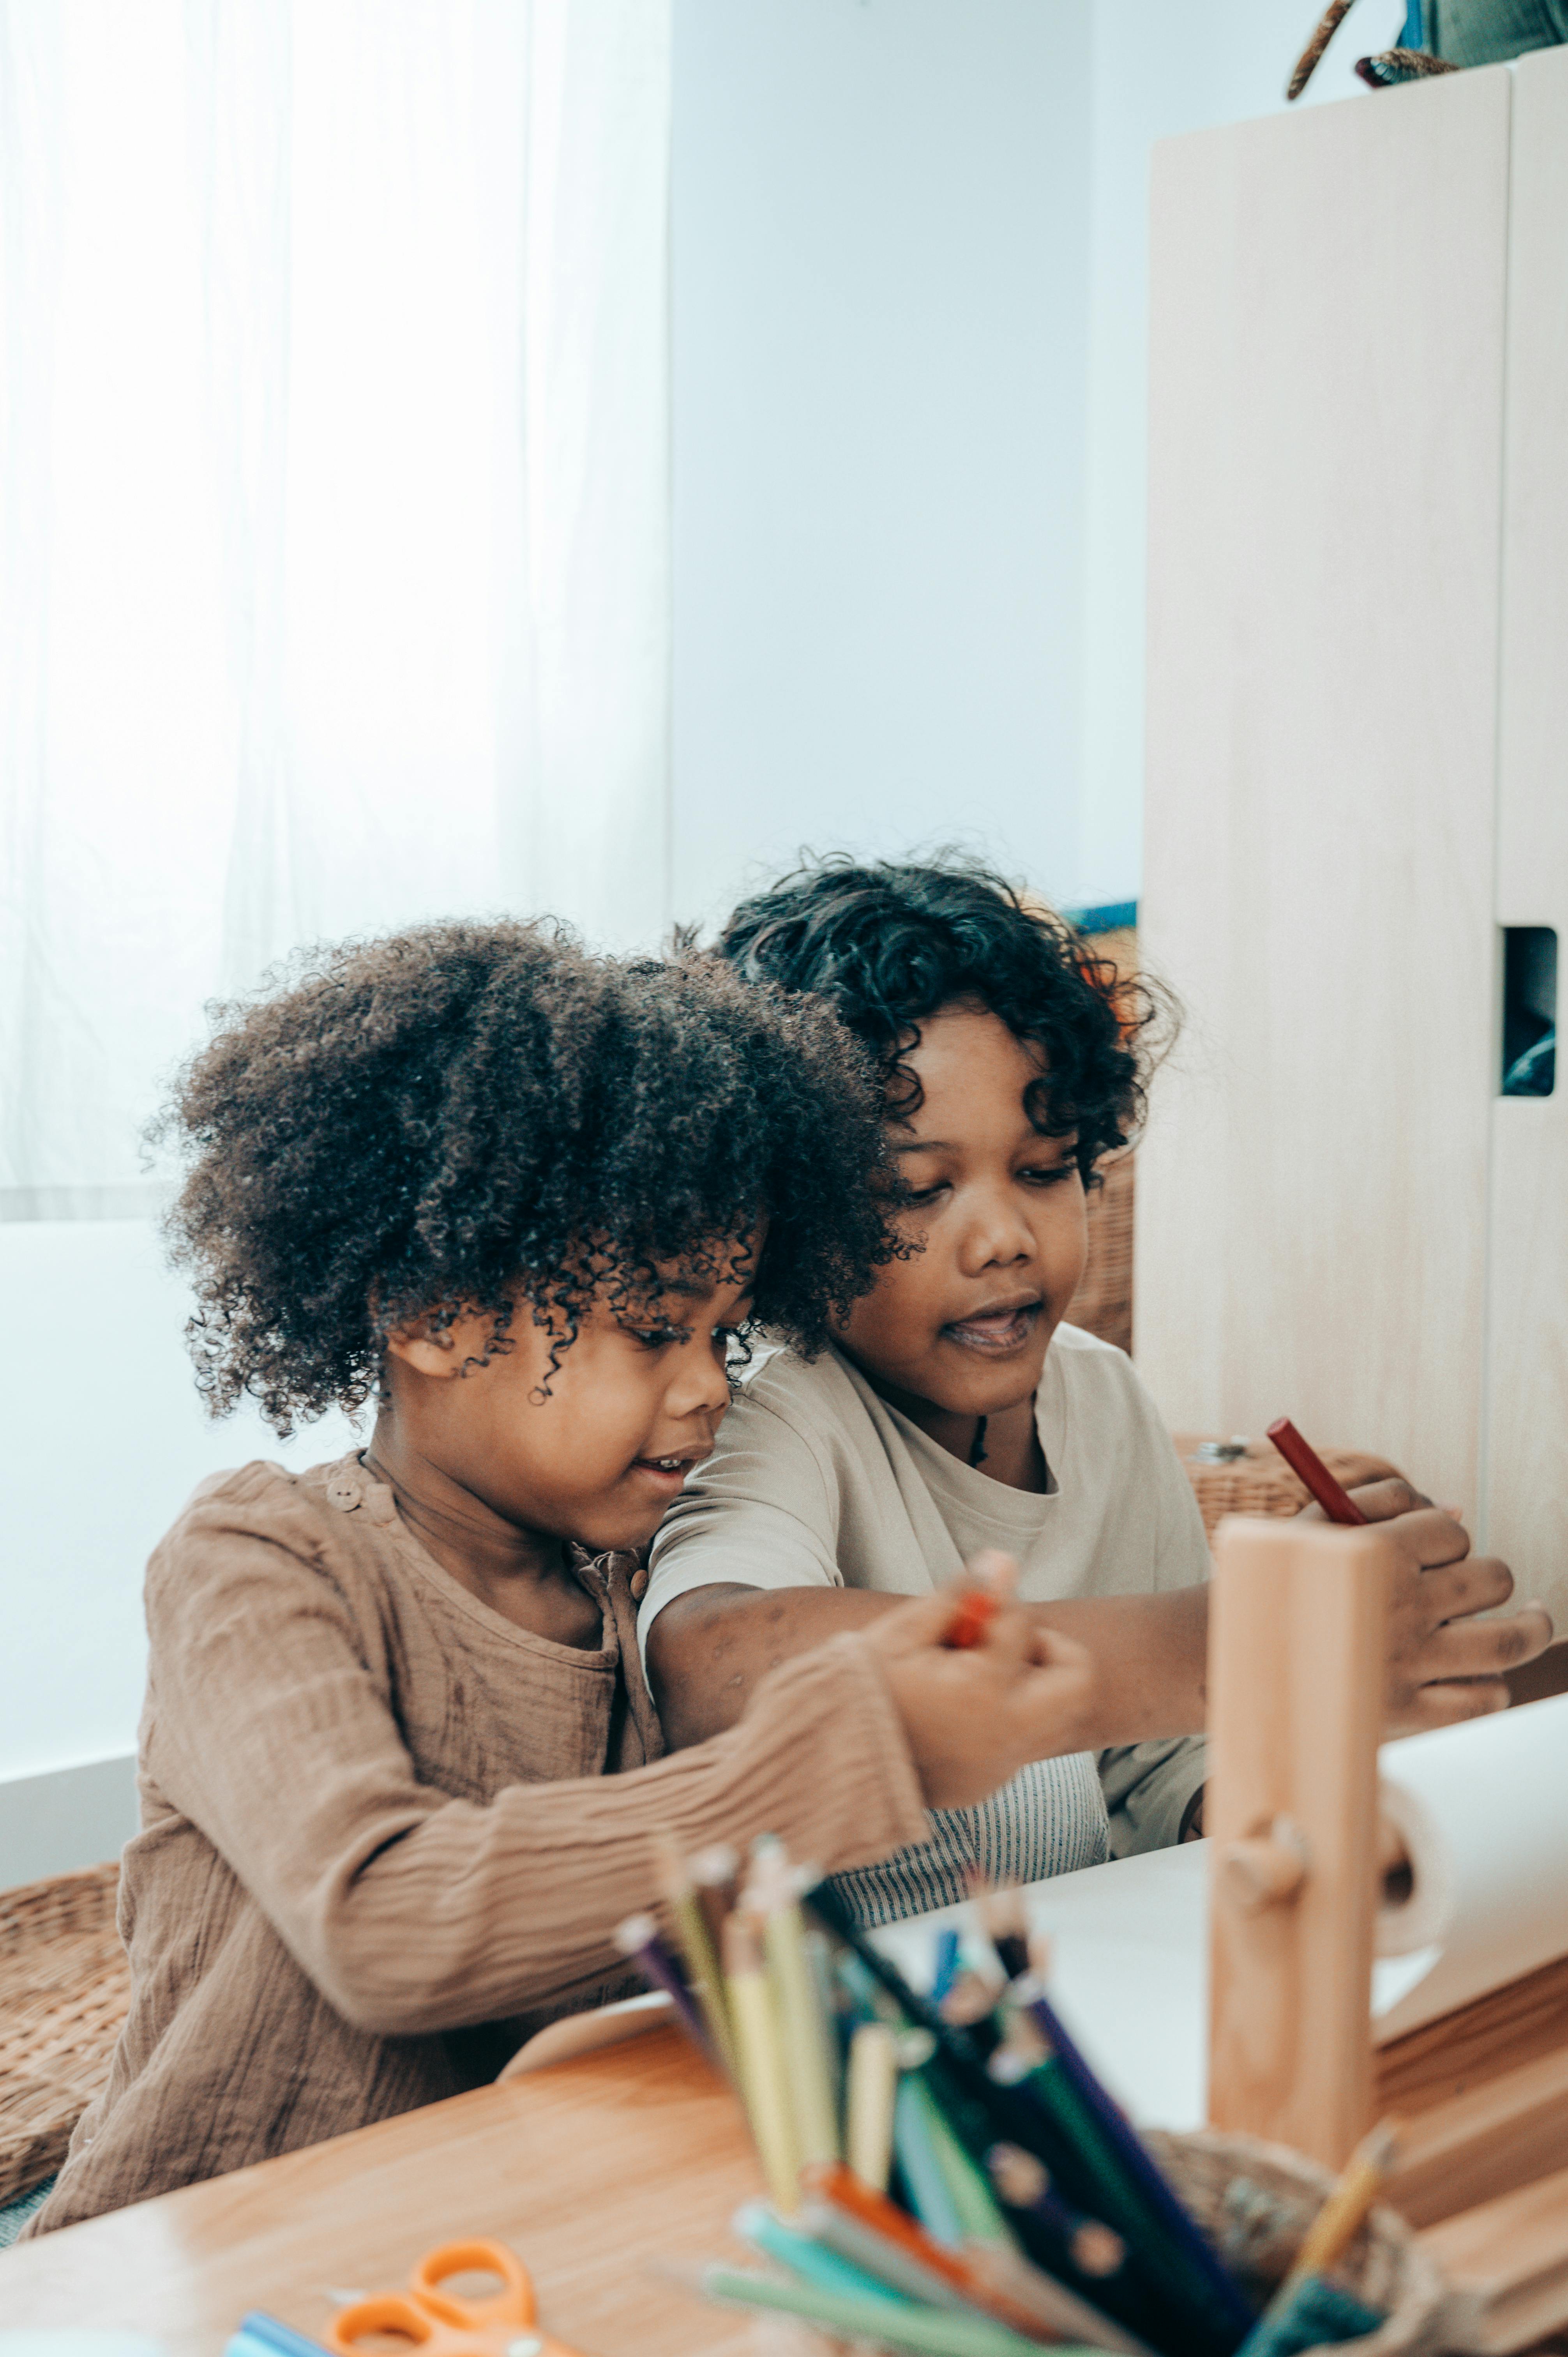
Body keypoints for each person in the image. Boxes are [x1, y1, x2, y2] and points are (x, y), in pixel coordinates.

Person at [26, 921, 1098, 2234]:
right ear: (430, 1312)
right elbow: (390, 1922)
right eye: (654, 1331)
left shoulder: (622, 1583)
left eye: (724, 1331)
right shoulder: (258, 1564)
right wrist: (844, 1758)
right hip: (199, 2264)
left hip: (504, 2247)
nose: (710, 1386)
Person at [640, 856, 1552, 1921]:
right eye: (918, 1191)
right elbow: (717, 1670)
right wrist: (1230, 1642)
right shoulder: (781, 1400)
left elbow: (1157, 1771)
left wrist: (1305, 1792)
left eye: (1044, 1167)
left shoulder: (1102, 1397)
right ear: (787, 1218)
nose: (1002, 1239)